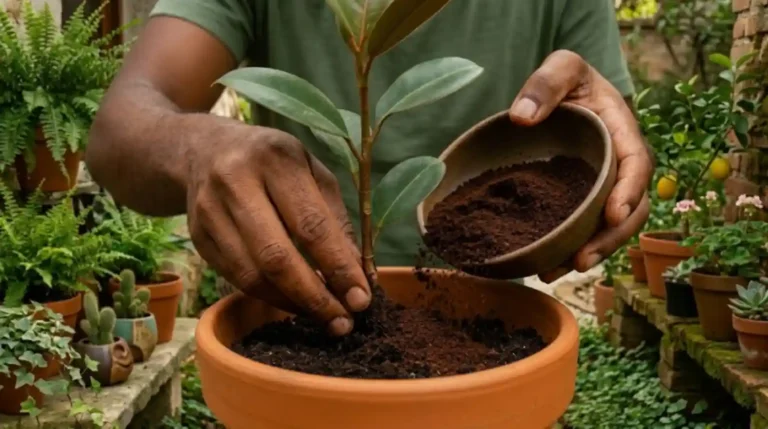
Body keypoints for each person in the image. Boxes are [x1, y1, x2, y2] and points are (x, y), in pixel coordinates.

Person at [86, 0, 653, 336]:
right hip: (300, 319)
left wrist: (614, 165)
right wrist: (197, 147)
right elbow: (117, 132)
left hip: (486, 323)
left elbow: (604, 132)